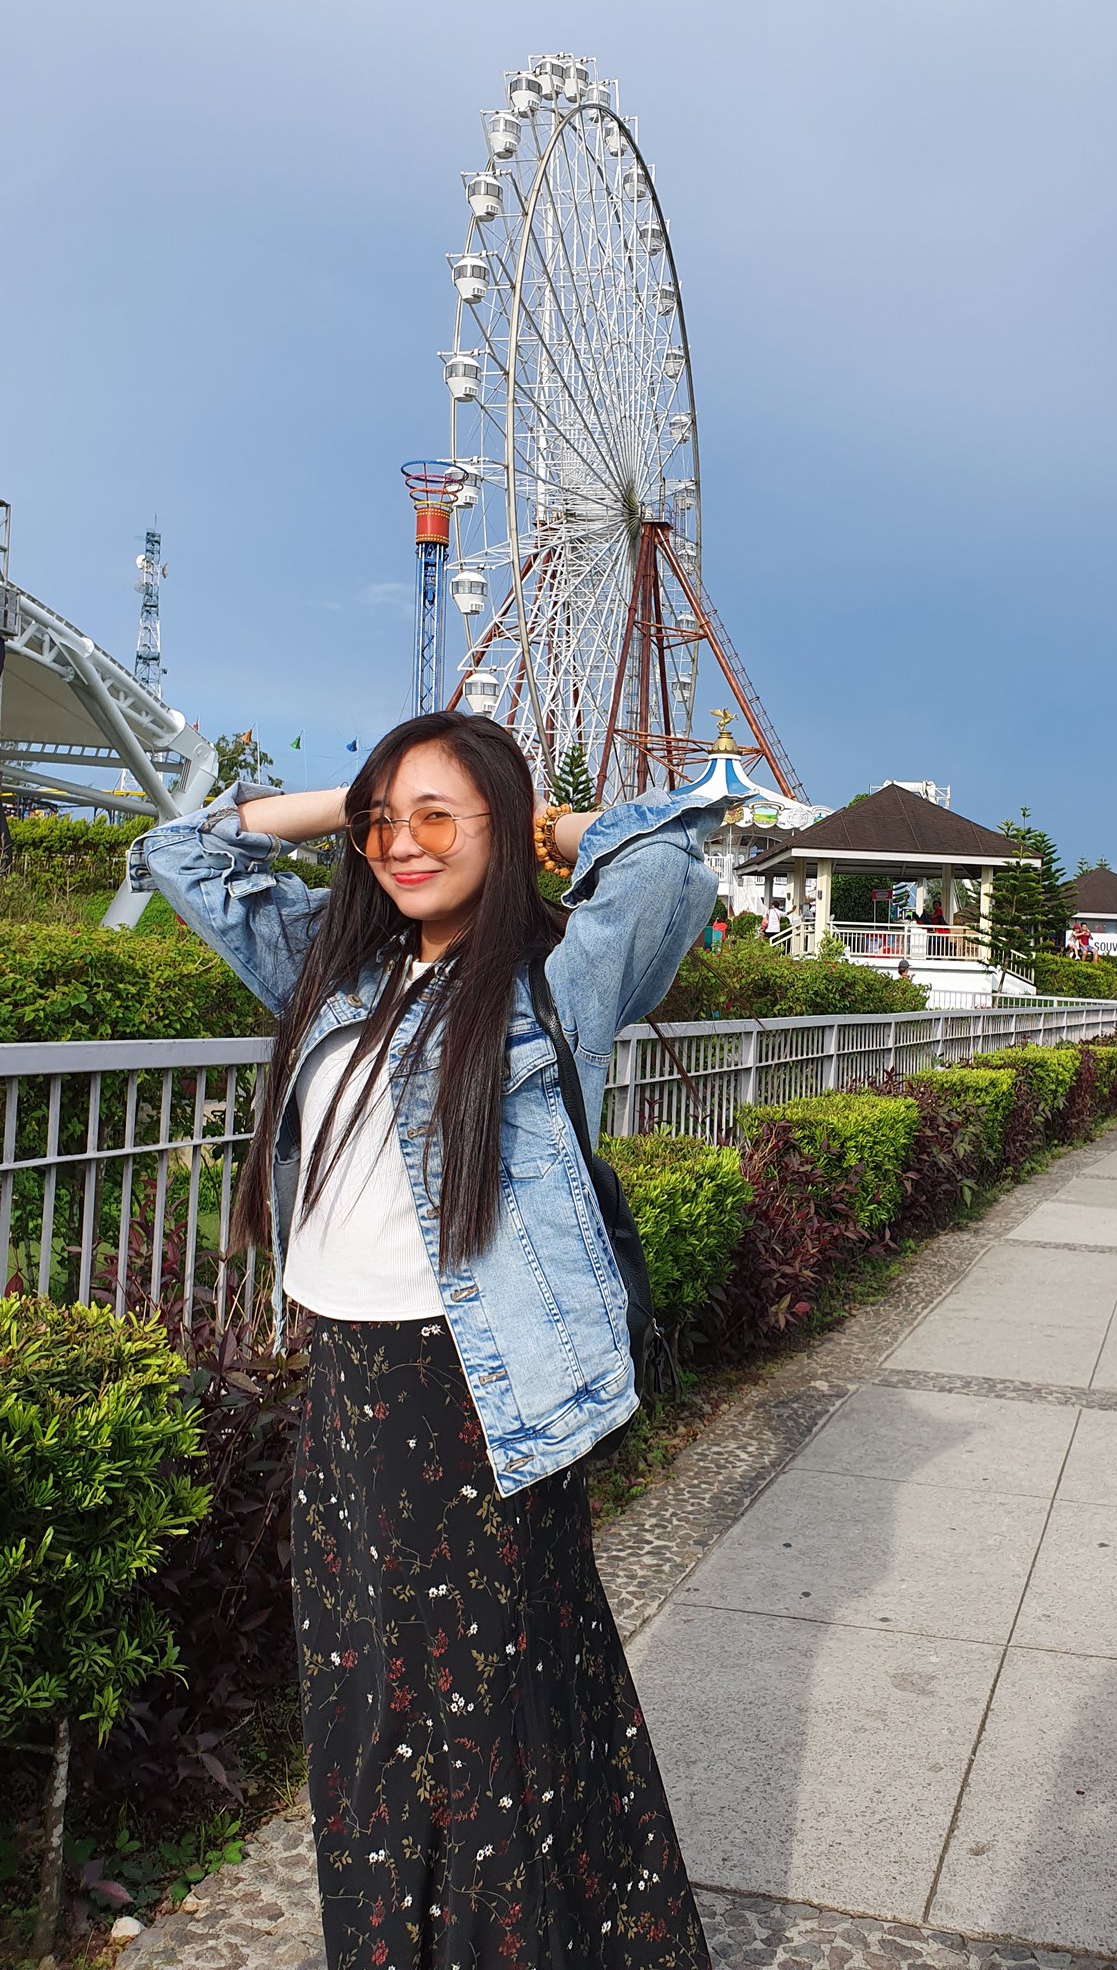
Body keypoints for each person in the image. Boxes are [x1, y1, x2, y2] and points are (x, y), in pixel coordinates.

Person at [129, 711, 720, 1970]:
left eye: (439, 815)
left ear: (502, 825)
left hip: (475, 1397)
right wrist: (351, 805)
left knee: (492, 1724)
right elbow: (182, 852)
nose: (403, 843)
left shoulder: (553, 981)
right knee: (365, 1711)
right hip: (347, 1388)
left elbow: (672, 860)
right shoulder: (337, 968)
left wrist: (554, 825)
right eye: (383, 821)